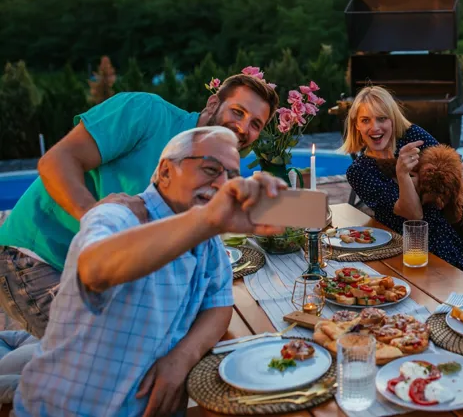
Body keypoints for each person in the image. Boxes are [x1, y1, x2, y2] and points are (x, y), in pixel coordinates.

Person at [14, 127, 287, 416]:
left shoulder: (206, 237)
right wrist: (206, 220)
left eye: (230, 176)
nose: (222, 184)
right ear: (166, 172)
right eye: (210, 169)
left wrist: (182, 357)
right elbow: (95, 268)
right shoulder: (119, 214)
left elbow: (218, 304)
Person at [0, 70, 278, 338]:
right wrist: (96, 218)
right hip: (38, 259)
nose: (243, 127)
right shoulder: (146, 113)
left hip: (110, 275)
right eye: (237, 112)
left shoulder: (213, 168)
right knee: (115, 365)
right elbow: (55, 161)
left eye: (256, 124)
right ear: (213, 102)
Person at [341, 86, 463, 273]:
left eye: (382, 118)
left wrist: (419, 183)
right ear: (356, 125)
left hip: (451, 236)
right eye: (365, 120)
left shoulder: (413, 136)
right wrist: (403, 174)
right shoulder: (359, 171)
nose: (374, 127)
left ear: (393, 119)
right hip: (407, 250)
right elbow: (414, 215)